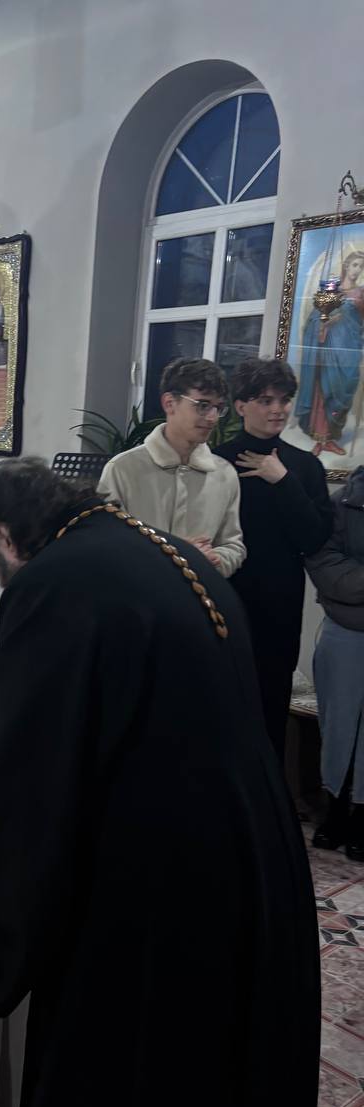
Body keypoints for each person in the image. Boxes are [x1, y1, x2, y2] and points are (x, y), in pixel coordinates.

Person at [0, 457, 319, 1107]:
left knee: (134, 1106)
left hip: (160, 898)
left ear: (7, 535)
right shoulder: (166, 551)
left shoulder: (57, 585)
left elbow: (23, 774)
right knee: (220, 1104)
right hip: (255, 863)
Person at [214, 357, 332, 758]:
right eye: (265, 400)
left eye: (284, 400)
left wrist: (282, 480)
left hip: (280, 600)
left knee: (270, 702)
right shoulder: (216, 461)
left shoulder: (305, 466)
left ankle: (267, 791)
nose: (278, 409)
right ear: (241, 406)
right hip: (224, 595)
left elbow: (313, 538)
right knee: (220, 698)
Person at [99, 357, 245, 577]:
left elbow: (233, 545)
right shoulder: (123, 469)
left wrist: (215, 560)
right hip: (138, 592)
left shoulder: (224, 474)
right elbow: (106, 544)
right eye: (203, 405)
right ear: (169, 403)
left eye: (218, 408)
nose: (212, 418)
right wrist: (175, 555)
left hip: (199, 591)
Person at [305, 468, 364, 858]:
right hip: (345, 624)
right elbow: (322, 557)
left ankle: (362, 816)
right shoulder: (343, 500)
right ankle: (336, 808)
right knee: (338, 723)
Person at [294, 251, 364, 456]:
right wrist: (324, 323)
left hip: (349, 348)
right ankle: (320, 439)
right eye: (355, 265)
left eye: (361, 266)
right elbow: (316, 318)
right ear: (346, 266)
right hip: (328, 349)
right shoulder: (331, 291)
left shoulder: (361, 292)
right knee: (323, 391)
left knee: (344, 388)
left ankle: (331, 438)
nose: (357, 270)